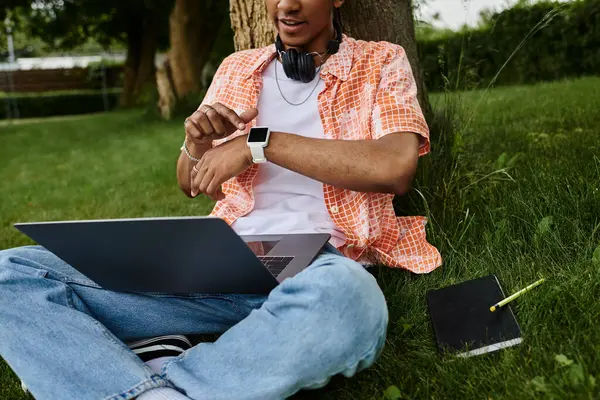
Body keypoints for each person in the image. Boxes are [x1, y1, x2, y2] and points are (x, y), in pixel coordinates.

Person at [0, 0, 441, 399]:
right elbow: (190, 182)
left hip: (315, 265)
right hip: (220, 257)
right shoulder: (238, 67)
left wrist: (259, 142)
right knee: (9, 272)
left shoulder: (381, 60)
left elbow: (393, 168)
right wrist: (195, 145)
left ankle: (151, 373)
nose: (287, 5)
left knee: (351, 298)